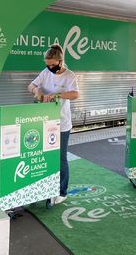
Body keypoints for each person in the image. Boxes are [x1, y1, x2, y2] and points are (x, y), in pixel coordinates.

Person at [28, 44, 79, 206]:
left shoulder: (69, 76)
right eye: (47, 64)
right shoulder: (45, 73)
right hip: (44, 121)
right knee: (43, 156)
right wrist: (36, 91)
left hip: (62, 123)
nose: (49, 67)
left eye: (52, 64)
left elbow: (75, 94)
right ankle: (44, 186)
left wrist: (57, 94)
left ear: (60, 61)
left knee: (60, 158)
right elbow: (31, 85)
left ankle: (62, 191)